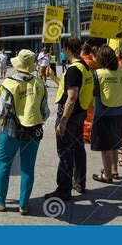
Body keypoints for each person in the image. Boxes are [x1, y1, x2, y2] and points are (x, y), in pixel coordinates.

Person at [0, 49, 50, 215]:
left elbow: (0, 114)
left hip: (11, 131)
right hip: (33, 132)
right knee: (28, 168)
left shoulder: (10, 83)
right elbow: (46, 113)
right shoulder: (40, 84)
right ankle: (24, 205)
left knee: (4, 165)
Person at [45, 37, 94, 200]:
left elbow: (71, 97)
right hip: (80, 113)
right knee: (78, 148)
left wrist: (63, 122)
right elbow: (69, 88)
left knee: (65, 152)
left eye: (62, 49)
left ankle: (64, 189)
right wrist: (53, 77)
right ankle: (79, 182)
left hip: (70, 115)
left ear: (66, 49)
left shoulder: (74, 69)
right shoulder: (84, 66)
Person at [91, 45, 122, 183]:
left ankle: (107, 175)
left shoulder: (98, 73)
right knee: (115, 143)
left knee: (105, 145)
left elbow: (93, 91)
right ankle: (114, 170)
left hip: (103, 113)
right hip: (120, 111)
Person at [80, 42, 98, 144]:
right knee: (92, 114)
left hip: (85, 91)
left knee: (86, 114)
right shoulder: (95, 63)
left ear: (82, 51)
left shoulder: (82, 63)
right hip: (94, 91)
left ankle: (86, 135)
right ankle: (91, 133)